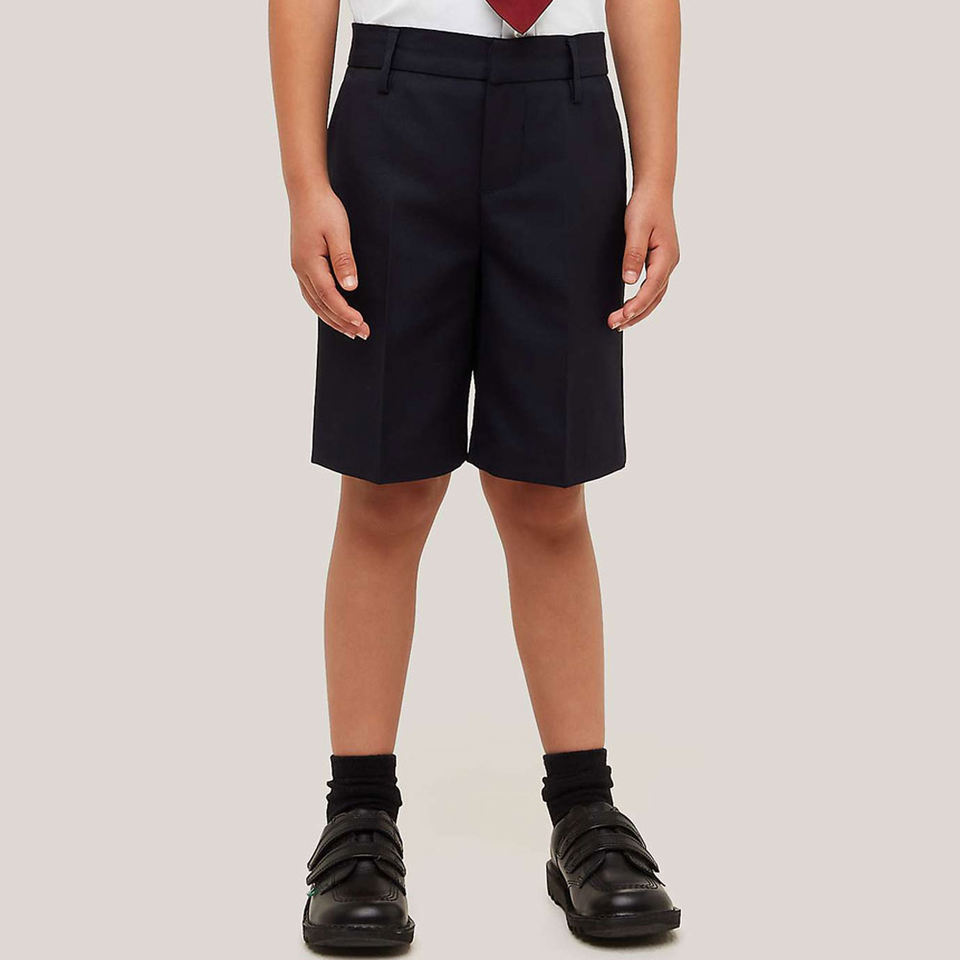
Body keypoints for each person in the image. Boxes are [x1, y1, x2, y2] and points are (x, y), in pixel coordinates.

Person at [269, 0, 682, 947]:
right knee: (386, 486)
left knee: (549, 489)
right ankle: (358, 817)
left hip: (567, 110)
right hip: (397, 106)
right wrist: (304, 181)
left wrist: (657, 171)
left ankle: (584, 809)